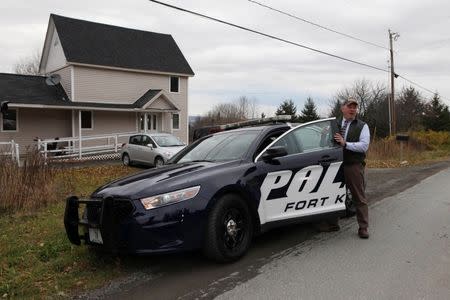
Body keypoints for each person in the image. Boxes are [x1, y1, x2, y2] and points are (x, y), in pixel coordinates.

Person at [317, 97, 371, 239]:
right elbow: (324, 145)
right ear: (343, 108)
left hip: (353, 165)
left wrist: (345, 143)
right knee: (334, 195)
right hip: (336, 165)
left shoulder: (362, 125)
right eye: (350, 106)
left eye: (354, 107)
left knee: (359, 197)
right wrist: (323, 135)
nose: (353, 109)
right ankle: (333, 224)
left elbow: (364, 146)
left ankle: (363, 227)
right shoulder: (334, 124)